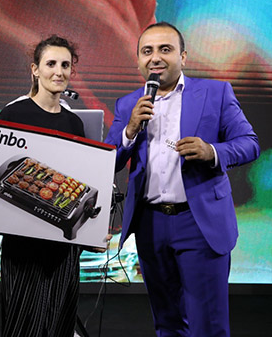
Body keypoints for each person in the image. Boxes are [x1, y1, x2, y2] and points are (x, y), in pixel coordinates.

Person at [104, 22, 260, 336]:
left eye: (165, 49)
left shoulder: (215, 93)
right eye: (147, 51)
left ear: (183, 57)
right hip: (150, 224)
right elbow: (108, 160)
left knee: (207, 325)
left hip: (198, 223)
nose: (155, 57)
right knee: (167, 323)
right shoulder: (128, 104)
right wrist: (129, 130)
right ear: (138, 60)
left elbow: (249, 143)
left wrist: (211, 151)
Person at [0, 35, 85, 336]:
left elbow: (81, 179)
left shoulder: (75, 123)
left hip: (61, 245)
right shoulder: (14, 114)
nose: (59, 72)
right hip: (22, 241)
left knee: (59, 323)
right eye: (51, 64)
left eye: (65, 65)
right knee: (22, 323)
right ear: (35, 69)